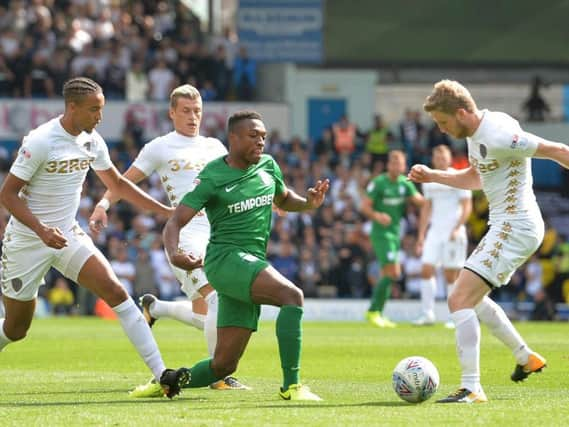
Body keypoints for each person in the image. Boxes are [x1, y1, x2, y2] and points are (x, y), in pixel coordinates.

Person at [0, 77, 188, 398]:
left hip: (67, 235)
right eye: (93, 110)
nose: (99, 117)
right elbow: (8, 194)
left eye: (101, 109)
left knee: (116, 291)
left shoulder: (92, 140)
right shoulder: (42, 140)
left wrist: (164, 211)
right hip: (29, 241)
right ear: (71, 107)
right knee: (16, 329)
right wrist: (41, 230)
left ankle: (161, 375)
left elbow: (117, 184)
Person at [158, 110, 329, 401]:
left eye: (263, 137)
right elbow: (175, 222)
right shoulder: (212, 176)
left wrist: (308, 204)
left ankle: (169, 381)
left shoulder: (267, 165)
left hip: (249, 263)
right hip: (225, 260)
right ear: (233, 138)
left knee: (223, 365)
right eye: (253, 136)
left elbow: (284, 198)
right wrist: (174, 253)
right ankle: (292, 386)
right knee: (292, 296)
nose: (260, 142)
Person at [89, 84, 247, 392]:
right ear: (172, 112)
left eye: (197, 111)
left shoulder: (215, 146)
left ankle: (156, 308)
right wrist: (103, 204)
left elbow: (239, 183)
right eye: (186, 111)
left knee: (214, 314)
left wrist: (275, 203)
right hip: (184, 234)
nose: (192, 117)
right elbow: (123, 182)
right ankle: (217, 374)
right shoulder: (160, 147)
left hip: (217, 234)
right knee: (219, 301)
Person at [409, 79, 556, 403]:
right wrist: (434, 175)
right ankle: (525, 357)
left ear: (461, 113)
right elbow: (478, 177)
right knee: (470, 298)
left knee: (458, 298)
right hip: (506, 226)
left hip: (515, 226)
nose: (442, 130)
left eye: (444, 122)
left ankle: (472, 387)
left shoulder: (500, 133)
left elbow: (557, 150)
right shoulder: (477, 136)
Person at [361, 150, 424, 327]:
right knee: (394, 272)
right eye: (393, 163)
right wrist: (377, 216)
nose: (396, 166)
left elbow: (420, 201)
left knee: (388, 274)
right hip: (381, 234)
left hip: (396, 234)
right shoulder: (379, 183)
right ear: (388, 165)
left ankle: (378, 313)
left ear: (404, 166)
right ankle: (373, 310)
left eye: (400, 163)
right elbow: (364, 206)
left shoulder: (405, 184)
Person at [414, 144, 472, 327]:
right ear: (433, 159)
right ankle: (427, 314)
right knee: (426, 270)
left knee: (450, 275)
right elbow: (427, 208)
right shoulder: (429, 179)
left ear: (449, 158)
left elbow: (467, 206)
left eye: (443, 156)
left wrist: (457, 228)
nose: (440, 159)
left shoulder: (458, 176)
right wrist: (421, 235)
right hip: (435, 231)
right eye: (436, 157)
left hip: (453, 232)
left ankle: (453, 316)